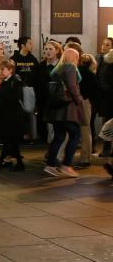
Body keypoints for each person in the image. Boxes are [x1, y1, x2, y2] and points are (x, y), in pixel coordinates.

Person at [44, 47, 85, 178]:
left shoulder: (58, 69)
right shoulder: (70, 68)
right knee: (75, 135)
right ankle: (66, 165)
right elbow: (73, 87)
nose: (78, 60)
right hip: (68, 110)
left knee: (58, 137)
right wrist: (79, 100)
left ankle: (50, 165)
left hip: (57, 110)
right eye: (77, 57)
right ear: (72, 58)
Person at [0, 59, 26, 172]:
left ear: (10, 70)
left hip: (13, 116)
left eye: (3, 70)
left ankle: (0, 164)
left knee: (9, 140)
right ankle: (19, 164)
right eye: (0, 69)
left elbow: (14, 98)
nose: (1, 72)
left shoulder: (15, 81)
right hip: (5, 115)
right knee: (11, 141)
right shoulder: (2, 80)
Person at [35, 40, 63, 144]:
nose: (48, 51)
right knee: (44, 126)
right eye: (46, 49)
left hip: (58, 101)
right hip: (43, 100)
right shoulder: (41, 66)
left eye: (51, 49)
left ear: (57, 51)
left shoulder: (61, 65)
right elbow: (36, 84)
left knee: (57, 127)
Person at [77, 53, 100, 167]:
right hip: (86, 102)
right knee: (86, 130)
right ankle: (85, 158)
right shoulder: (90, 73)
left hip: (81, 101)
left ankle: (84, 158)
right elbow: (96, 89)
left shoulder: (80, 70)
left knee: (84, 130)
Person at [94, 37, 113, 158]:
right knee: (106, 121)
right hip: (102, 97)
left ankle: (107, 149)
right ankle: (106, 148)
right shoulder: (99, 59)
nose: (104, 46)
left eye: (107, 45)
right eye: (103, 44)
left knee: (109, 122)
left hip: (111, 95)